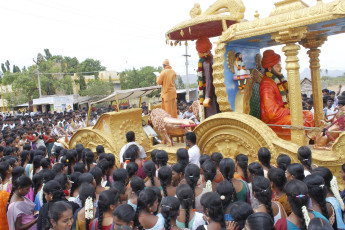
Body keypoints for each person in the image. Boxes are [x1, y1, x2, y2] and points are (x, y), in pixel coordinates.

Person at [259, 50, 314, 140]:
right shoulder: (266, 84)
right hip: (273, 121)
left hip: (283, 115)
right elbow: (271, 113)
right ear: (269, 68)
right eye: (278, 65)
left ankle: (308, 137)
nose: (280, 68)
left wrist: (293, 110)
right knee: (295, 121)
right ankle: (298, 141)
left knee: (308, 114)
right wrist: (290, 111)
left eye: (280, 65)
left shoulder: (278, 80)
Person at [195, 37, 220, 119]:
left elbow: (209, 80)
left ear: (201, 51)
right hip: (215, 94)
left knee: (211, 118)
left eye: (198, 51)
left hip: (210, 98)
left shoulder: (206, 63)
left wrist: (207, 97)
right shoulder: (212, 60)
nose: (197, 53)